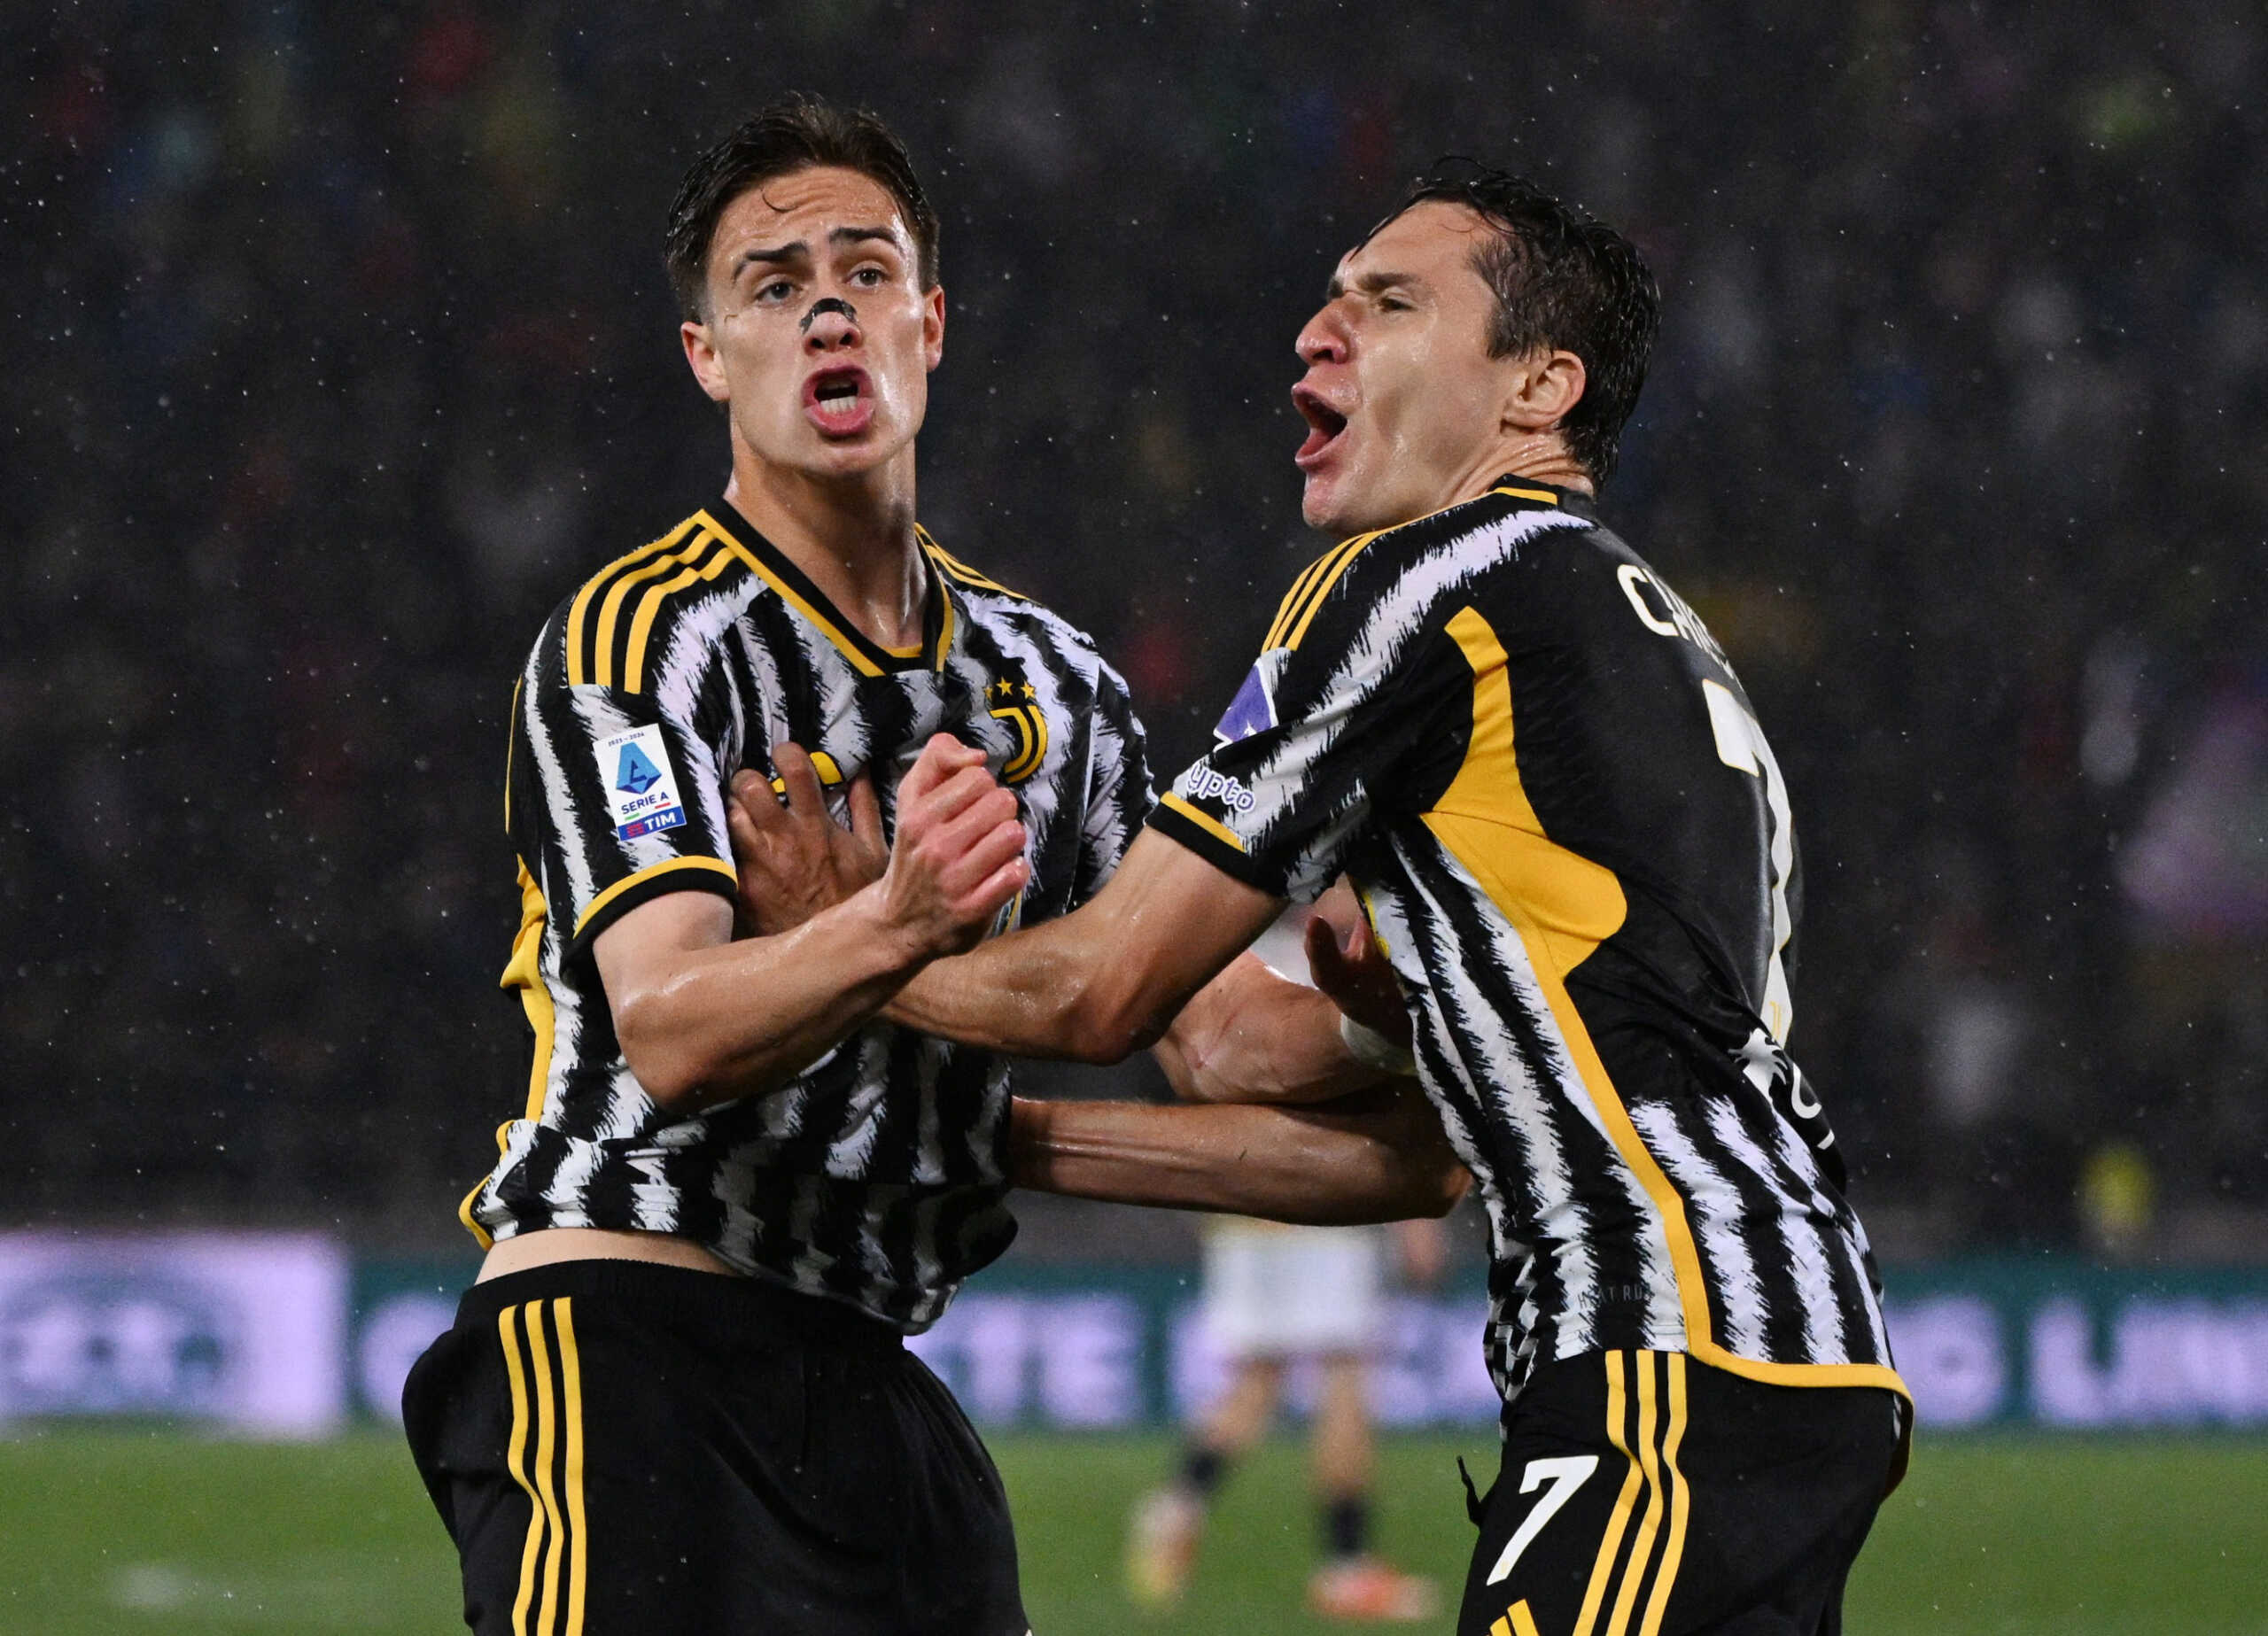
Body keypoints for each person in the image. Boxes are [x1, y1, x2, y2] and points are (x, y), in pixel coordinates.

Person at [732, 162, 1911, 1636]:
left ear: (1540, 387)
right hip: (1776, 1346)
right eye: (1332, 294)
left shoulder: (1426, 583)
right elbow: (1263, 1068)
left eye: (1390, 301)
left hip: (1666, 1344)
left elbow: (1106, 992)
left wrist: (845, 938)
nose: (1316, 332)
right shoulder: (1639, 641)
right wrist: (991, 1136)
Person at [400, 96, 1453, 1636]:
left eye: (867, 269)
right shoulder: (648, 644)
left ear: (932, 322)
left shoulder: (1056, 680)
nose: (828, 305)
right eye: (772, 284)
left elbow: (1212, 1035)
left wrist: (1386, 1007)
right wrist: (898, 920)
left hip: (879, 1366)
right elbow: (675, 1026)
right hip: (627, 1328)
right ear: (709, 356)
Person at [1127, 910, 1446, 1623]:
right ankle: (1346, 1564)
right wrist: (1412, 1214)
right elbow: (1374, 1091)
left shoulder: (1239, 959)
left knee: (1258, 1382)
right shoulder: (1343, 971)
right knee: (1345, 1378)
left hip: (1245, 1201)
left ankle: (1176, 1502)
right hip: (1318, 1198)